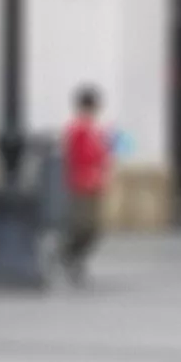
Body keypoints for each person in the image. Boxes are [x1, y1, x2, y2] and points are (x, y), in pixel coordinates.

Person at [58, 86, 115, 285]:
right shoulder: (77, 130)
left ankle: (72, 256)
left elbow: (102, 156)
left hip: (95, 181)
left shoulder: (97, 131)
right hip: (81, 182)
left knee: (93, 227)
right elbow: (72, 157)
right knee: (82, 223)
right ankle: (67, 254)